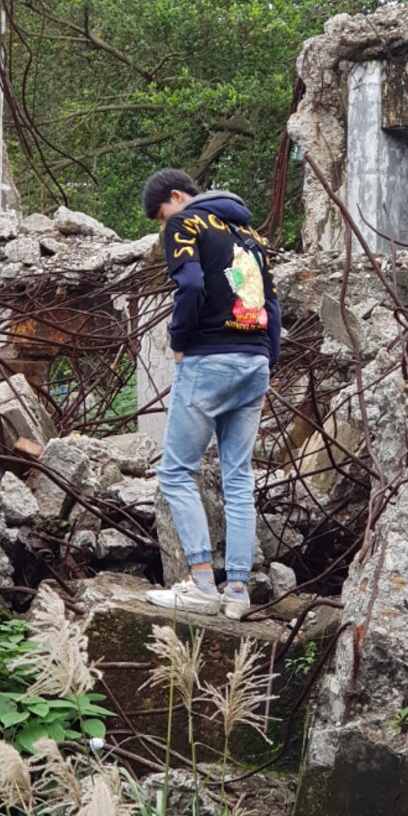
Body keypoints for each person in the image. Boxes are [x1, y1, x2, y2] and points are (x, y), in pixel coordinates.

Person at [140, 168, 280, 619]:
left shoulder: (187, 223)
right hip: (255, 360)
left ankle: (201, 584)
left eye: (162, 216)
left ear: (176, 197)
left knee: (175, 473)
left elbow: (192, 285)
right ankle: (237, 591)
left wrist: (179, 339)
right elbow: (270, 305)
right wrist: (267, 358)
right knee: (238, 478)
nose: (165, 226)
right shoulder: (250, 235)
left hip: (210, 359)